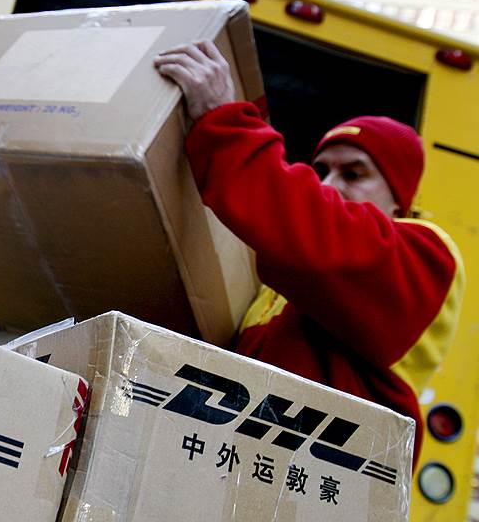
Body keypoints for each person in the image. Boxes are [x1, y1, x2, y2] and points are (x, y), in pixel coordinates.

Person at [153, 40, 465, 464]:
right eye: (320, 171)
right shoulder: (278, 283)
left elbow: (310, 230)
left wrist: (222, 122)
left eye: (354, 173)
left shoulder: (427, 255)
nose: (329, 184)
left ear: (400, 202)